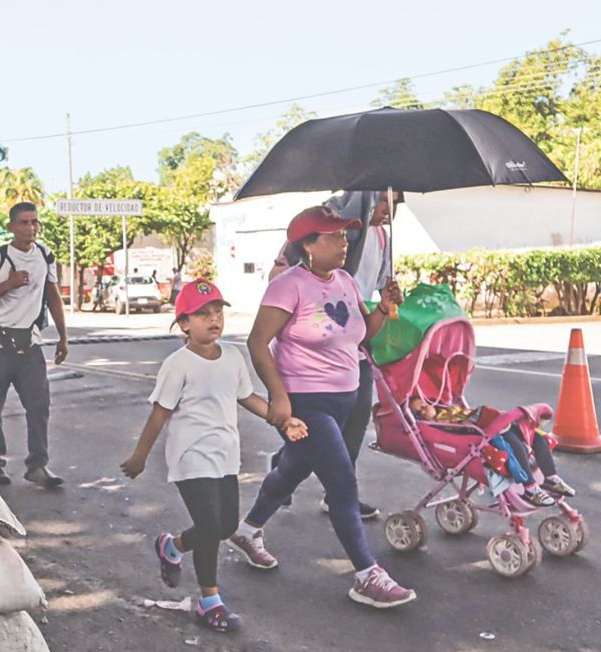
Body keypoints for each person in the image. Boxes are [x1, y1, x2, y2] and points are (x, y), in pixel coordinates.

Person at [229, 206, 417, 609]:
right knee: (342, 482)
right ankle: (368, 575)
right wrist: (279, 397)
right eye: (334, 236)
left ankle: (247, 530)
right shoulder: (288, 286)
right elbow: (257, 343)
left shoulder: (346, 282)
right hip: (305, 402)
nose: (345, 241)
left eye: (346, 234)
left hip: (344, 398)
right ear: (308, 245)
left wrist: (383, 307)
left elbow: (363, 336)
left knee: (290, 471)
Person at [120, 280, 307, 633]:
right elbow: (160, 413)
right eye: (202, 314)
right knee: (208, 527)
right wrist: (139, 457)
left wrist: (282, 420)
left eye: (217, 312)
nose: (213, 319)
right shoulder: (178, 364)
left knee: (223, 527)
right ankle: (210, 602)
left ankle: (171, 546)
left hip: (225, 454)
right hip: (190, 456)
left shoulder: (232, 358)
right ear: (184, 323)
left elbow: (246, 396)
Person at [268, 190, 404, 520]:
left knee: (355, 421)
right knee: (317, 429)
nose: (389, 209)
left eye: (396, 203)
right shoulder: (330, 229)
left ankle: (336, 492)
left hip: (354, 338)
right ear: (368, 198)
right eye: (385, 200)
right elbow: (280, 273)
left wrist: (387, 304)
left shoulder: (382, 238)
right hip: (314, 351)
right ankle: (285, 474)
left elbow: (372, 295)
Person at [0, 202, 68, 488]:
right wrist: (7, 285)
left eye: (35, 222)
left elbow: (53, 297)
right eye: (23, 223)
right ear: (11, 227)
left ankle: (38, 465)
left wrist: (63, 336)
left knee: (39, 406)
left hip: (29, 343)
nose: (30, 228)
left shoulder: (45, 255)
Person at [408, 396, 575, 503]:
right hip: (482, 436)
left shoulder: (448, 410)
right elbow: (458, 429)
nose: (425, 410)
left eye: (425, 405)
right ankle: (529, 488)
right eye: (420, 411)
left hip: (490, 424)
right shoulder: (435, 423)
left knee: (535, 436)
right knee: (513, 443)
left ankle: (551, 477)